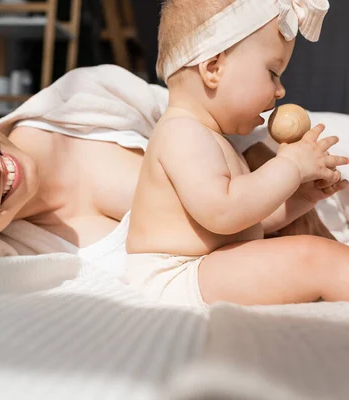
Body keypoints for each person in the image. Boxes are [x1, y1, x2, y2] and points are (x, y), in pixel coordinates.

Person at [125, 0, 349, 308]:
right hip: (178, 277)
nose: (281, 90)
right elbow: (224, 213)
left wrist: (301, 199)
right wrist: (290, 166)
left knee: (313, 255)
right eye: (273, 72)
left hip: (205, 269)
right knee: (315, 258)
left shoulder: (214, 139)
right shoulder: (181, 133)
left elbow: (249, 219)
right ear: (213, 69)